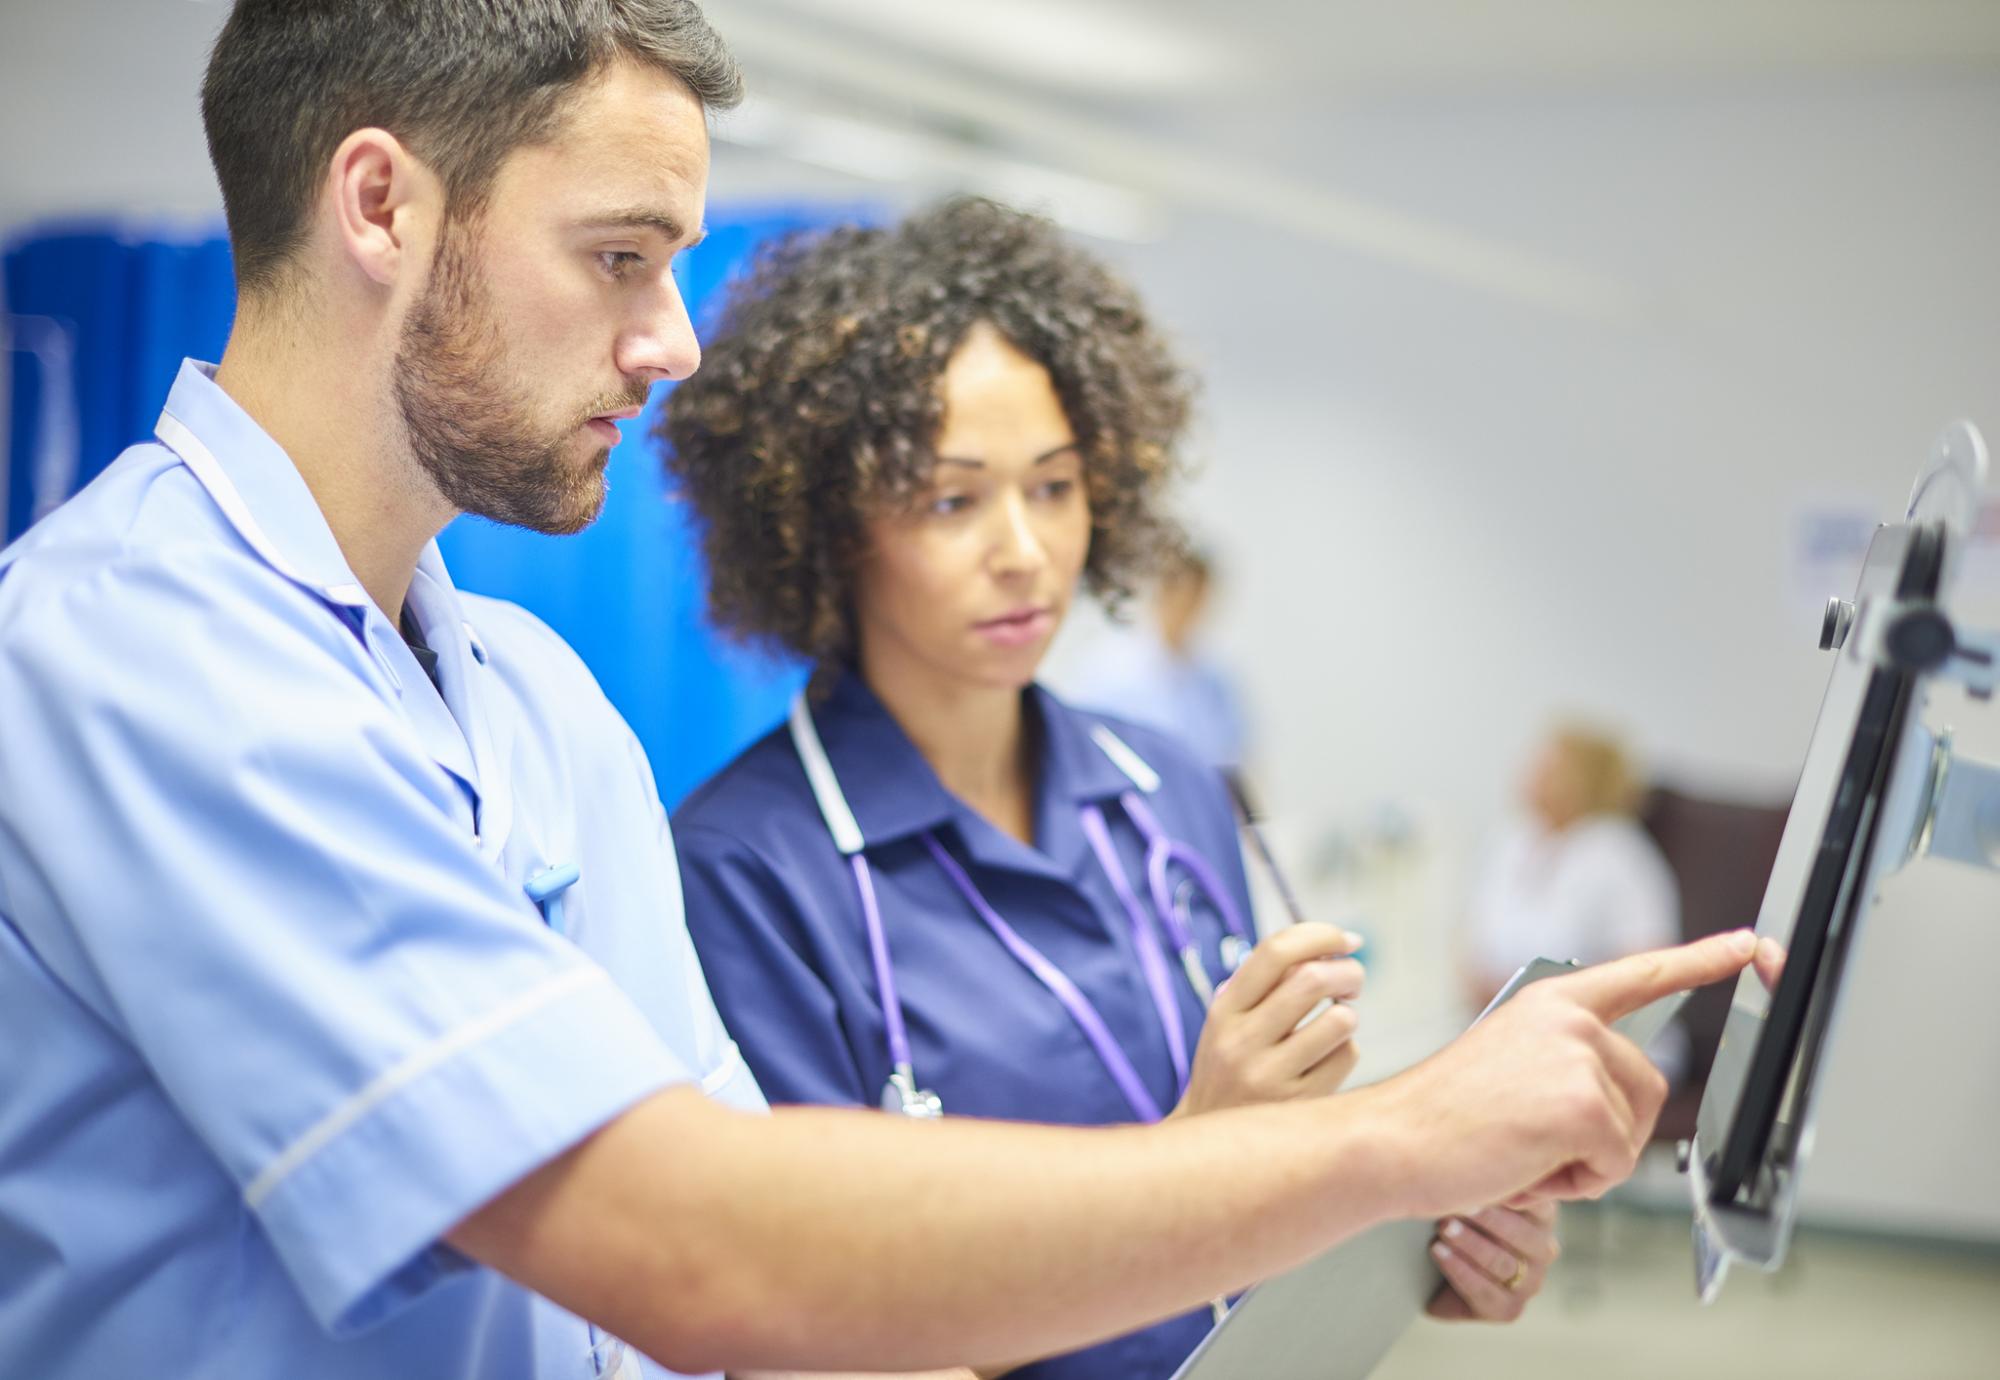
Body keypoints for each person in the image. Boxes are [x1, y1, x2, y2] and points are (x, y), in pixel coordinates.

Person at [0, 3, 1764, 1377]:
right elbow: (686, 1246)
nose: (674, 336)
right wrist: (1381, 1145)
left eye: (1058, 486)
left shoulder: (534, 702)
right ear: (380, 202)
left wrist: (1350, 1232)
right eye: (621, 254)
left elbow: (777, 1315)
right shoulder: (133, 656)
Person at [663, 199, 1554, 1378]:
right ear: (828, 529)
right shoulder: (746, 868)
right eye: (950, 499)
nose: (1024, 550)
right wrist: (1199, 1154)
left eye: (1053, 486)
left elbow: (1269, 1189)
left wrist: (1414, 1224)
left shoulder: (1168, 788)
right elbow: (814, 1337)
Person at [1462, 724, 1682, 1019]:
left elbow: (1647, 965)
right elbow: (1475, 945)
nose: (1533, 774)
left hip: (1598, 1030)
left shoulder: (1618, 852)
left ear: (1586, 780)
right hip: (1510, 1024)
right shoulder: (1513, 839)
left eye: (1551, 768)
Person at [1066, 547, 1249, 770]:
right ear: (1163, 594)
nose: (1190, 607)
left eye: (1199, 596)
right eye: (1183, 594)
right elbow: (1093, 747)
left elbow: (1232, 753)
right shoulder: (1112, 669)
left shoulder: (1215, 676)